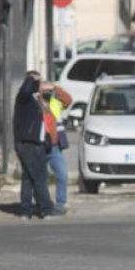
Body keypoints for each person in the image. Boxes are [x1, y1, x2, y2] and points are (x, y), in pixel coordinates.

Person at [13, 72, 62, 220]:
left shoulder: (35, 100)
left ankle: (25, 210)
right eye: (38, 81)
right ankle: (47, 209)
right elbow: (26, 89)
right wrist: (32, 79)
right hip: (30, 144)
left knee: (28, 178)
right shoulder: (24, 97)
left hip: (35, 143)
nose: (41, 85)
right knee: (40, 178)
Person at [43, 83, 74, 211]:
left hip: (54, 146)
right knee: (41, 177)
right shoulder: (36, 105)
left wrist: (54, 88)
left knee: (62, 174)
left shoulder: (54, 104)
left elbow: (68, 100)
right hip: (40, 145)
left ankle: (61, 202)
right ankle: (43, 203)